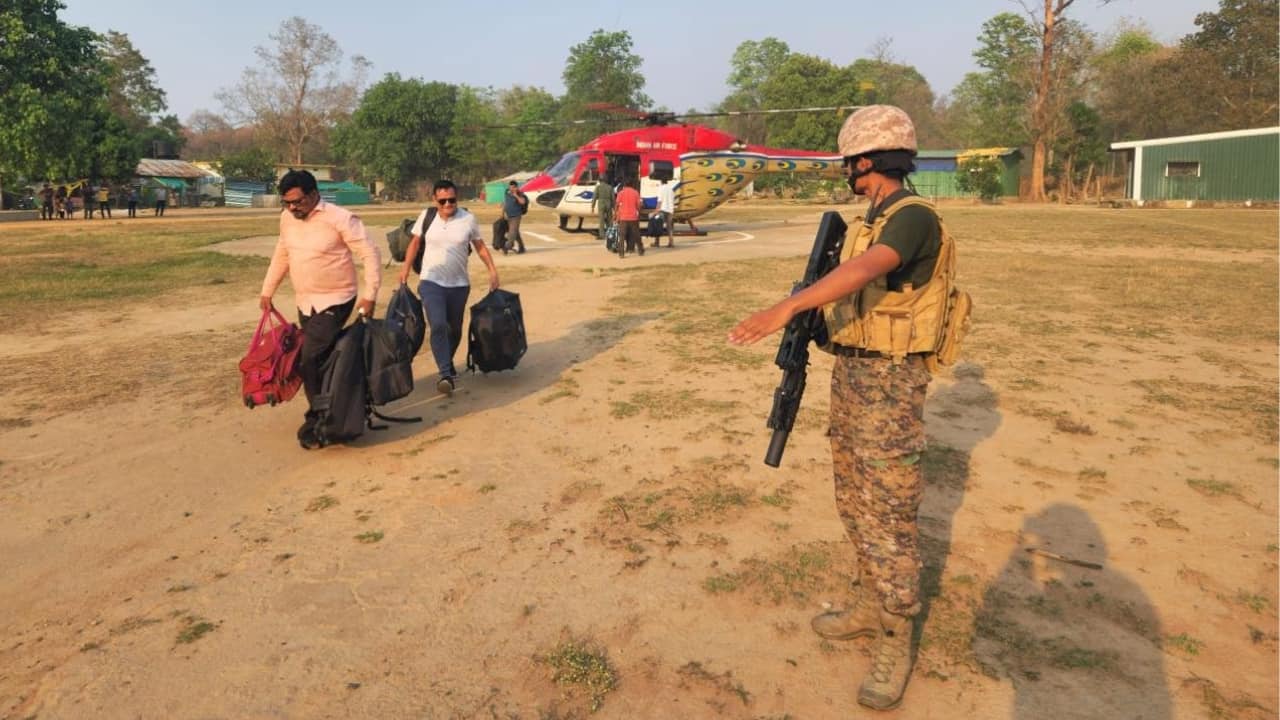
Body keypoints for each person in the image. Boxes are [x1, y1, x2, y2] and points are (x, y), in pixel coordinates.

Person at [728, 105, 948, 712]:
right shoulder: (869, 219)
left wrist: (789, 306)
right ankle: (867, 605)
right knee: (853, 498)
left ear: (867, 161)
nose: (847, 172)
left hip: (891, 391)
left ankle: (895, 636)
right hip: (855, 378)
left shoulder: (911, 217)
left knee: (889, 514)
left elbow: (872, 268)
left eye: (850, 162)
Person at [259, 170, 382, 449]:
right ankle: (341, 407)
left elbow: (369, 253)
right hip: (306, 302)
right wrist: (268, 290)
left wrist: (370, 295)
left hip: (337, 298)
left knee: (308, 359)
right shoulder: (287, 219)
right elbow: (282, 253)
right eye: (286, 203)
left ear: (314, 194)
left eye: (297, 202)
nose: (292, 208)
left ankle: (318, 417)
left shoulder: (340, 218)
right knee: (324, 359)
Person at [398, 179, 500, 396]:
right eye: (442, 201)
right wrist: (405, 268)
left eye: (451, 200)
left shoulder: (468, 218)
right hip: (430, 281)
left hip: (459, 285)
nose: (447, 205)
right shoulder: (427, 217)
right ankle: (445, 373)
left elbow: (480, 247)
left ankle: (448, 360)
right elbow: (415, 243)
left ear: (457, 199)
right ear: (434, 200)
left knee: (454, 329)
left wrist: (492, 270)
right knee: (438, 325)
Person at [613, 177, 643, 259]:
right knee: (637, 235)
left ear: (625, 185)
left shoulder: (621, 193)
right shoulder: (635, 193)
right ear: (632, 184)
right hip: (633, 217)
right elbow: (639, 205)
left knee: (622, 236)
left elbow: (617, 204)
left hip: (623, 218)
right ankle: (640, 251)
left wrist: (615, 214)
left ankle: (621, 254)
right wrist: (638, 213)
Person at [501, 180, 528, 255]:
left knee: (512, 233)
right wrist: (502, 213)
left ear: (516, 187)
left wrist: (516, 195)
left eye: (513, 187)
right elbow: (505, 203)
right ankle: (522, 247)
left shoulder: (520, 193)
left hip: (516, 216)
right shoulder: (507, 192)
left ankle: (507, 247)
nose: (511, 189)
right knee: (515, 233)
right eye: (510, 187)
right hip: (508, 216)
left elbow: (523, 202)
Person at [654, 177, 675, 248]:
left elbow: (659, 201)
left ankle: (657, 242)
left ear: (661, 181)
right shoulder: (671, 189)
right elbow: (673, 199)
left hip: (662, 210)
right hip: (670, 210)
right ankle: (671, 242)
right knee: (669, 227)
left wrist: (656, 210)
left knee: (658, 225)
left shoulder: (661, 188)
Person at [591, 176, 614, 240]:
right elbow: (613, 198)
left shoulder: (598, 187)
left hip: (601, 204)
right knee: (610, 220)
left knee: (601, 220)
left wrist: (592, 206)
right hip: (608, 203)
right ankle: (611, 235)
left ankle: (602, 235)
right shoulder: (610, 187)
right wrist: (614, 207)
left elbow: (594, 197)